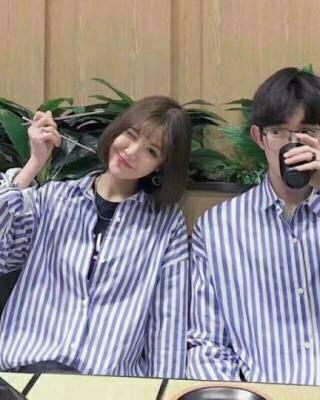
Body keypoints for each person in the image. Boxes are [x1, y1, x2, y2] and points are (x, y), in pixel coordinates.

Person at [187, 68, 320, 388]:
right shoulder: (218, 228)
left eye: (307, 132)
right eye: (278, 132)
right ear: (259, 137)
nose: (293, 144)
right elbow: (206, 343)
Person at [0, 96, 192, 377]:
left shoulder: (166, 224)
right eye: (131, 135)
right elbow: (3, 253)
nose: (132, 152)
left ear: (161, 165)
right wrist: (34, 164)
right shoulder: (53, 198)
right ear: (118, 130)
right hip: (27, 372)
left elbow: (168, 319)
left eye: (151, 151)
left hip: (106, 382)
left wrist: (165, 388)